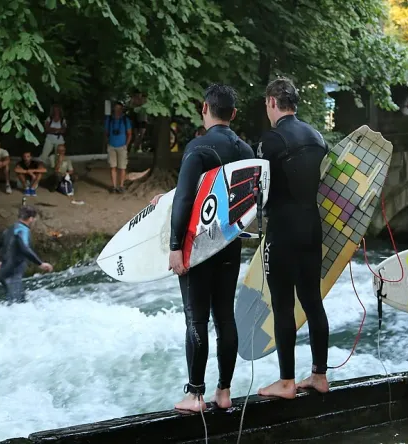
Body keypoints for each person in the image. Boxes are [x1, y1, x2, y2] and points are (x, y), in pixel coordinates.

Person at [168, 84, 254, 412]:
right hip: (230, 245)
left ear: (205, 108)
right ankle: (224, 391)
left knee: (196, 318)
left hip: (198, 246)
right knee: (224, 317)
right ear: (232, 114)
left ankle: (194, 394)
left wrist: (176, 247)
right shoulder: (246, 151)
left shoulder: (198, 147)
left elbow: (186, 199)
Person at [255, 77, 330, 399]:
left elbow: (257, 190)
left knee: (283, 305)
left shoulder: (271, 140)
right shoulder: (318, 138)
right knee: (313, 301)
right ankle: (319, 376)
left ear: (272, 102)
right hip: (312, 226)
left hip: (283, 229)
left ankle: (286, 382)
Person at [0, 205, 53, 304]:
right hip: (13, 273)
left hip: (5, 272)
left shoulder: (9, 229)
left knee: (18, 302)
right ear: (31, 219)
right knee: (17, 304)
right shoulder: (23, 230)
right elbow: (25, 248)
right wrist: (40, 264)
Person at [105, 101, 132, 193]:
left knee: (122, 167)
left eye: (119, 109)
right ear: (113, 109)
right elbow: (106, 133)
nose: (117, 111)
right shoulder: (109, 120)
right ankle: (114, 186)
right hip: (111, 146)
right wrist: (108, 143)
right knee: (113, 167)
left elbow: (129, 134)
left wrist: (126, 145)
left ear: (122, 110)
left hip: (122, 147)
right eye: (116, 109)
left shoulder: (125, 120)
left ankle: (121, 186)